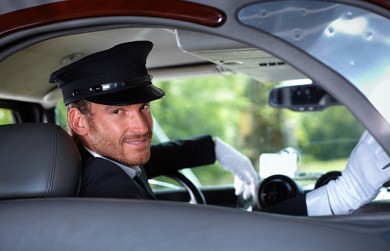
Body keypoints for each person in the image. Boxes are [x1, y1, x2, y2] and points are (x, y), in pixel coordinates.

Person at [49, 41, 390, 216]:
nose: (140, 125)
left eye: (144, 107)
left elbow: (159, 157)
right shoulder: (107, 191)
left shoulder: (100, 161)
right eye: (118, 111)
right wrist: (337, 197)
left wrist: (215, 147)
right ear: (79, 121)